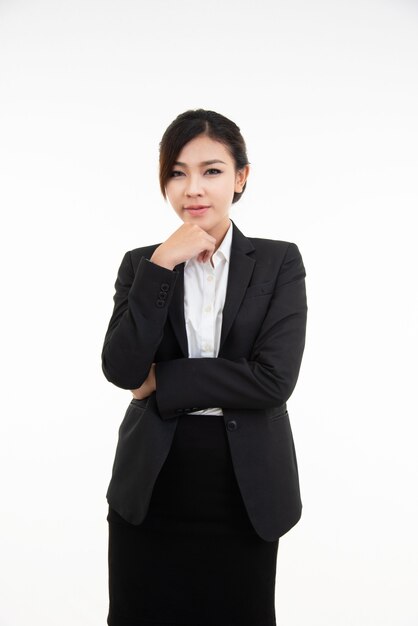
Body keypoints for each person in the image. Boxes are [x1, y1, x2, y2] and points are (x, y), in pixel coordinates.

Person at [102, 109, 307, 626]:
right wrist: (163, 265)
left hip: (244, 485)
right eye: (177, 171)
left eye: (211, 170)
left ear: (241, 177)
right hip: (152, 480)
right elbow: (123, 368)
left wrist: (162, 382)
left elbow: (273, 379)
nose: (192, 187)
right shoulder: (141, 264)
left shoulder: (279, 262)